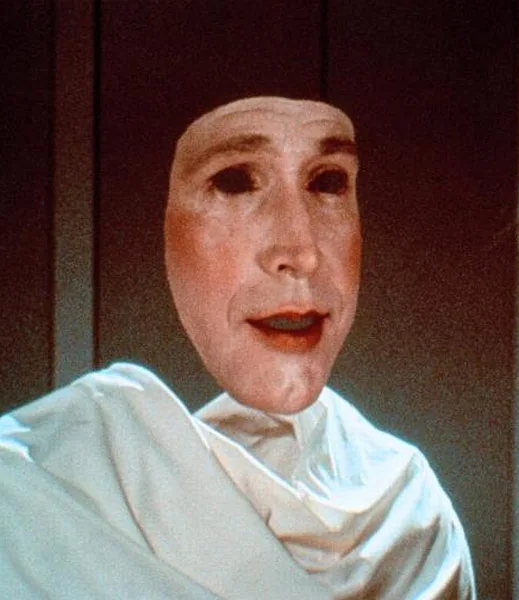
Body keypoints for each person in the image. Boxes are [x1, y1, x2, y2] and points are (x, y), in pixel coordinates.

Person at [0, 97, 475, 599]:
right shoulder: (25, 498)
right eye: (234, 181)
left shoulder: (412, 513)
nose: (300, 251)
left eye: (327, 182)